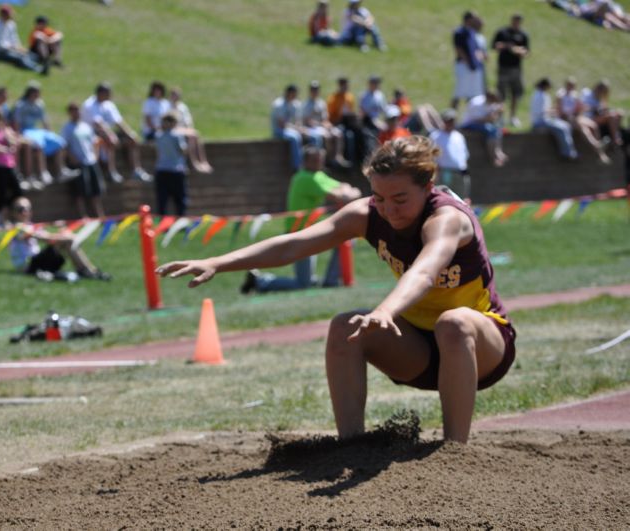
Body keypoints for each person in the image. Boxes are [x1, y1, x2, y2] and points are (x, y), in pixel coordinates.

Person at [157, 135, 516, 444]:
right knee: (345, 327)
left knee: (453, 323)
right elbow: (294, 244)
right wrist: (218, 262)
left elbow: (423, 273)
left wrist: (385, 311)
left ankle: (455, 453)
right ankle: (351, 447)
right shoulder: (366, 214)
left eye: (400, 199)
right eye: (378, 197)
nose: (388, 210)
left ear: (427, 186)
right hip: (419, 349)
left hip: (482, 347)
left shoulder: (447, 219)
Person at [240, 146, 360, 294]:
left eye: (320, 160)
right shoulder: (305, 178)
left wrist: (346, 190)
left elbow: (346, 188)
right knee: (304, 284)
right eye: (315, 160)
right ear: (305, 162)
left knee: (345, 237)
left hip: (312, 231)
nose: (319, 163)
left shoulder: (318, 175)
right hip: (300, 234)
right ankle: (260, 281)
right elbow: (344, 195)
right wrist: (346, 192)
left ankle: (331, 281)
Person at [8, 196, 111, 281]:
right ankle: (87, 271)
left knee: (66, 241)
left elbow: (48, 236)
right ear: (13, 212)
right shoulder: (17, 228)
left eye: (28, 209)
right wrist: (66, 238)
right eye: (21, 209)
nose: (25, 212)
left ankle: (88, 270)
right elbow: (46, 238)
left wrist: (62, 230)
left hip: (36, 263)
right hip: (28, 267)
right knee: (67, 241)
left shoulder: (31, 226)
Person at [81, 81, 151, 183]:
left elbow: (118, 121)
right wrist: (110, 135)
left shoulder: (108, 104)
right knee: (110, 140)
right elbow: (98, 124)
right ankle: (111, 171)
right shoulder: (89, 105)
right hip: (94, 133)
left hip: (107, 131)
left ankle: (136, 170)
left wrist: (130, 134)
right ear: (101, 93)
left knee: (131, 140)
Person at [12, 81, 73, 185]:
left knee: (59, 142)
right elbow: (16, 123)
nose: (37, 95)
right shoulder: (21, 105)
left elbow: (44, 121)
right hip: (25, 131)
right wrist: (18, 136)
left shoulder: (40, 104)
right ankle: (42, 172)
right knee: (39, 144)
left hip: (37, 131)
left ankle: (61, 170)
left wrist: (50, 133)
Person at [60, 102, 106, 219]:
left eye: (77, 110)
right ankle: (83, 216)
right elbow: (64, 146)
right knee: (80, 191)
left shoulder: (86, 127)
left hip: (90, 161)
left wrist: (95, 156)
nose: (77, 113)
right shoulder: (67, 128)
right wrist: (72, 158)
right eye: (74, 111)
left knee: (96, 190)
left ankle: (99, 215)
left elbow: (95, 142)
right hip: (78, 163)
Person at [555, 77, 611, 164]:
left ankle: (599, 149)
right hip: (567, 118)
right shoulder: (561, 94)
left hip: (576, 117)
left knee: (593, 125)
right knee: (584, 129)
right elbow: (560, 110)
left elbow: (580, 108)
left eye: (573, 86)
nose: (571, 87)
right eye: (570, 85)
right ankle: (597, 148)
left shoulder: (574, 95)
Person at [492, 14, 529, 128]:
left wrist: (518, 51)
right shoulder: (503, 32)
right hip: (503, 67)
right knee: (501, 93)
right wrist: (505, 46)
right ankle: (500, 117)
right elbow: (495, 46)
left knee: (515, 93)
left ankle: (513, 117)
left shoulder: (523, 35)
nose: (516, 23)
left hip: (516, 68)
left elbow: (526, 52)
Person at [303, 81, 350, 168]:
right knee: (327, 136)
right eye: (313, 90)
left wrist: (328, 126)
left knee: (338, 134)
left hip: (321, 126)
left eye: (316, 90)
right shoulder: (306, 104)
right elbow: (307, 121)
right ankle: (328, 159)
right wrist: (321, 124)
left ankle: (338, 157)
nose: (315, 91)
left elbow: (325, 119)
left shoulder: (321, 103)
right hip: (312, 128)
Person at [0, 4, 46, 74]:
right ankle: (38, 69)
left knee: (31, 55)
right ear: (3, 14)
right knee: (19, 58)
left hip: (12, 48)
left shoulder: (11, 24)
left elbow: (14, 38)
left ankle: (40, 64)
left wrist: (19, 47)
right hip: (0, 52)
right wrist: (14, 48)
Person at [530, 78, 578, 161]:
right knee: (561, 129)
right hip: (539, 121)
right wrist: (553, 111)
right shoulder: (539, 95)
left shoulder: (542, 95)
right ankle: (567, 153)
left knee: (566, 125)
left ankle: (570, 150)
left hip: (545, 119)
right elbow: (541, 112)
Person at [429, 109, 471, 201]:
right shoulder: (435, 136)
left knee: (461, 200)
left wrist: (465, 170)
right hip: (444, 172)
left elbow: (464, 155)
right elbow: (432, 156)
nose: (450, 123)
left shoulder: (459, 136)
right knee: (445, 198)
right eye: (448, 121)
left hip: (460, 172)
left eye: (452, 121)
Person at [169, 87, 213, 173]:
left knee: (195, 135)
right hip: (173, 130)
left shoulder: (183, 107)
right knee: (192, 135)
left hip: (183, 129)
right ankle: (194, 162)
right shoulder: (167, 106)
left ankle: (203, 161)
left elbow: (188, 122)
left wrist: (188, 129)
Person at [460, 91, 509, 167]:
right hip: (469, 123)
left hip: (482, 123)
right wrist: (491, 117)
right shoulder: (476, 103)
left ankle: (498, 151)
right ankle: (493, 156)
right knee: (490, 129)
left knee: (497, 129)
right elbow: (476, 119)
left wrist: (498, 113)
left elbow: (493, 118)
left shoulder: (492, 103)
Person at [153, 112, 188, 216]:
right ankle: (181, 223)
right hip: (176, 170)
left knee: (162, 200)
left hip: (161, 170)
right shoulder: (177, 136)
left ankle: (162, 224)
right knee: (180, 200)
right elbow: (183, 150)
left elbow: (158, 153)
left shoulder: (158, 135)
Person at [451, 11, 485, 109]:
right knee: (459, 91)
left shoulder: (472, 32)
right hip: (463, 65)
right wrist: (468, 62)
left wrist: (478, 60)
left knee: (473, 93)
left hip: (474, 66)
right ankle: (452, 113)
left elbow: (476, 48)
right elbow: (459, 49)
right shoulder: (459, 32)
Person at [271, 84, 305, 171]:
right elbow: (281, 124)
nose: (295, 96)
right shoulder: (279, 104)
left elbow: (297, 120)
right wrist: (296, 129)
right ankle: (297, 165)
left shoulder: (296, 104)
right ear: (288, 93)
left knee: (312, 136)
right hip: (279, 130)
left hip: (291, 129)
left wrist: (300, 128)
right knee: (295, 137)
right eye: (293, 94)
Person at [582, 80, 624, 148]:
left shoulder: (600, 99)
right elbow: (582, 107)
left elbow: (603, 110)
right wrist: (594, 108)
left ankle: (615, 135)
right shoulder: (587, 93)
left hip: (599, 117)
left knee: (619, 113)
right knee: (611, 116)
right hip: (588, 118)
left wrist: (604, 108)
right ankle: (615, 139)